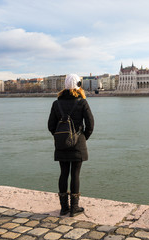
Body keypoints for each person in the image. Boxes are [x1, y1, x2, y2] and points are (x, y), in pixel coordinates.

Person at [48, 74, 94, 217]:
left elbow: (50, 126)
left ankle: (64, 208)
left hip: (61, 144)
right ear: (78, 85)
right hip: (78, 143)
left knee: (63, 173)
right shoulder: (82, 102)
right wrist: (82, 137)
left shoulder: (57, 103)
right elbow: (90, 124)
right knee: (75, 174)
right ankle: (74, 208)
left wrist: (61, 137)